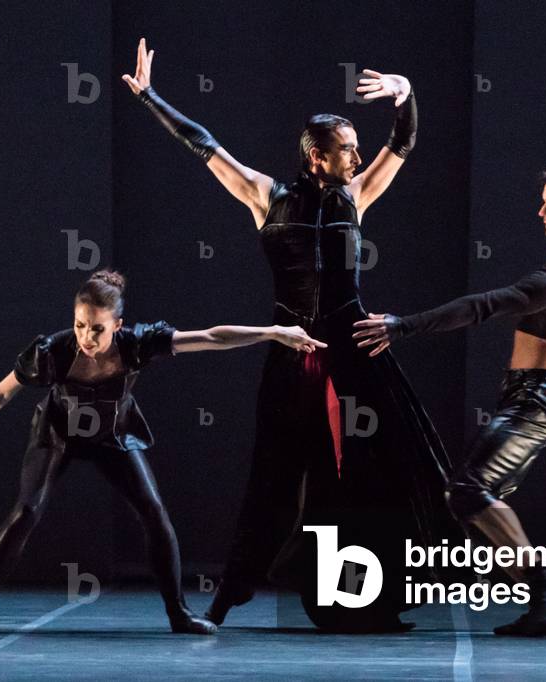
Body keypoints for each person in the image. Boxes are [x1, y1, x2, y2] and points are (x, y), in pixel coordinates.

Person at [122, 38, 455, 631]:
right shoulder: (266, 197)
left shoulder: (358, 195)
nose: (357, 158)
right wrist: (150, 97)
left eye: (357, 149)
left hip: (355, 355)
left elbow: (402, 142)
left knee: (367, 474)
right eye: (347, 150)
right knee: (273, 476)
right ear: (316, 158)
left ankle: (365, 600)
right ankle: (227, 597)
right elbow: (204, 145)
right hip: (292, 354)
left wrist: (405, 93)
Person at [0, 269, 325, 635]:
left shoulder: (138, 344)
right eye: (80, 325)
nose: (86, 337)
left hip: (111, 436)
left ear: (117, 325)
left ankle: (179, 614)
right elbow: (0, 393)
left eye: (97, 329)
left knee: (154, 512)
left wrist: (273, 331)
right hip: (58, 434)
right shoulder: (52, 351)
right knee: (26, 511)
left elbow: (211, 337)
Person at [353, 160, 546, 636]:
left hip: (535, 401)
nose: (541, 212)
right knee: (473, 507)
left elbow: (484, 306)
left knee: (468, 490)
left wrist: (401, 325)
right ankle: (544, 608)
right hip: (533, 398)